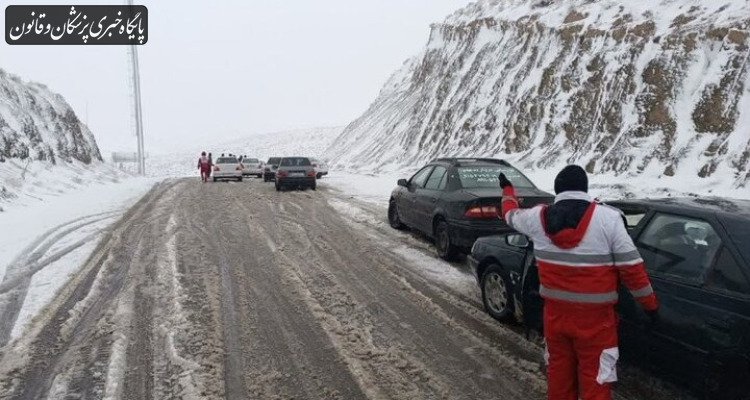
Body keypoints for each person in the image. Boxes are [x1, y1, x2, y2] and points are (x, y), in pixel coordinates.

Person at [498, 165, 658, 400]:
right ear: (585, 188)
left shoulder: (536, 218)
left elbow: (509, 214)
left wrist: (507, 190)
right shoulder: (608, 219)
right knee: (596, 385)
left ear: (557, 190)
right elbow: (632, 270)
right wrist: (650, 306)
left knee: (559, 382)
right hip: (597, 324)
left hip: (555, 318)